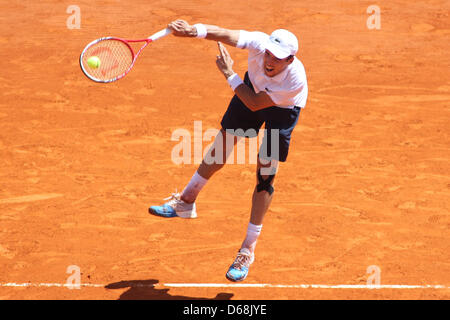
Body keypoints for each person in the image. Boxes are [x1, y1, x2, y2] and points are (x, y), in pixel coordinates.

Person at [149, 20, 308, 282]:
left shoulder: (294, 81)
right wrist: (193, 30)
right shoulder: (259, 43)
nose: (269, 60)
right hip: (251, 90)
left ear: (290, 60)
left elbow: (256, 104)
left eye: (277, 58)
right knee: (220, 147)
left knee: (265, 171)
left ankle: (247, 249)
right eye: (268, 53)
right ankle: (186, 203)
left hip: (279, 107)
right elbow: (226, 34)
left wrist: (229, 73)